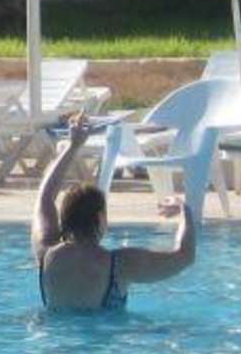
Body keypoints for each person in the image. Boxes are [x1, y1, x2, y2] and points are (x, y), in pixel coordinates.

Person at [31, 115, 195, 313]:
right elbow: (185, 256)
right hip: (105, 333)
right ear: (101, 219)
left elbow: (45, 196)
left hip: (54, 333)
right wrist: (185, 211)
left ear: (64, 218)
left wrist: (73, 146)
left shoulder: (45, 254)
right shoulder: (121, 265)